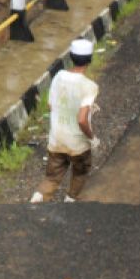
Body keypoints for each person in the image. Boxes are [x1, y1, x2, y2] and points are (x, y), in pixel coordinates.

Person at [31, 39, 98, 204]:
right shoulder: (90, 86)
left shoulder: (59, 76)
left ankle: (36, 201)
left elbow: (51, 105)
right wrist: (92, 138)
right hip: (78, 145)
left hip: (57, 139)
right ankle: (70, 201)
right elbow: (82, 120)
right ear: (89, 60)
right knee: (80, 172)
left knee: (52, 178)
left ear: (71, 57)